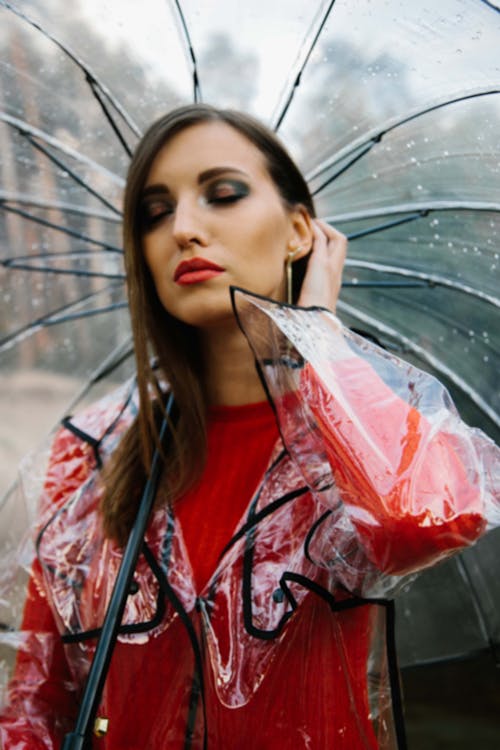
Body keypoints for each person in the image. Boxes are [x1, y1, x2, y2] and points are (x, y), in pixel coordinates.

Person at [0, 104, 498, 749]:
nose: (183, 228)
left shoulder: (353, 426)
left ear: (300, 232)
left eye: (223, 194)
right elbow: (36, 704)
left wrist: (317, 336)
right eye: (154, 212)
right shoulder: (93, 450)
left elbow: (428, 518)